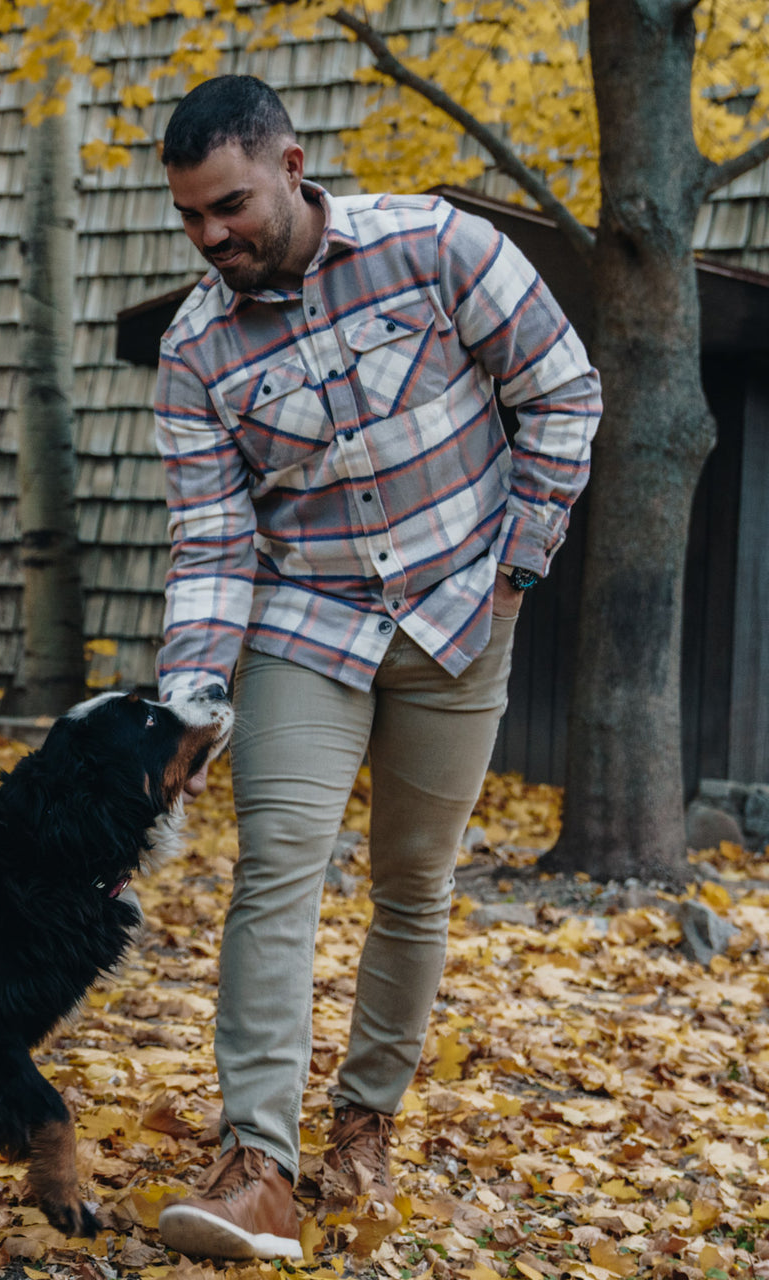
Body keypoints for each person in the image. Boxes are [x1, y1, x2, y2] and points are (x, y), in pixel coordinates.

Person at [152, 74, 602, 1262]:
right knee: (277, 864)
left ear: (293, 166)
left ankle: (363, 1129)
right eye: (191, 216)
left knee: (413, 880)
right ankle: (259, 1164)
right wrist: (194, 697)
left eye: (230, 205)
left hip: (464, 614)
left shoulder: (439, 247)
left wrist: (516, 568)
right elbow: (210, 540)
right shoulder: (195, 350)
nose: (212, 237)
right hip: (309, 621)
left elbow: (562, 392)